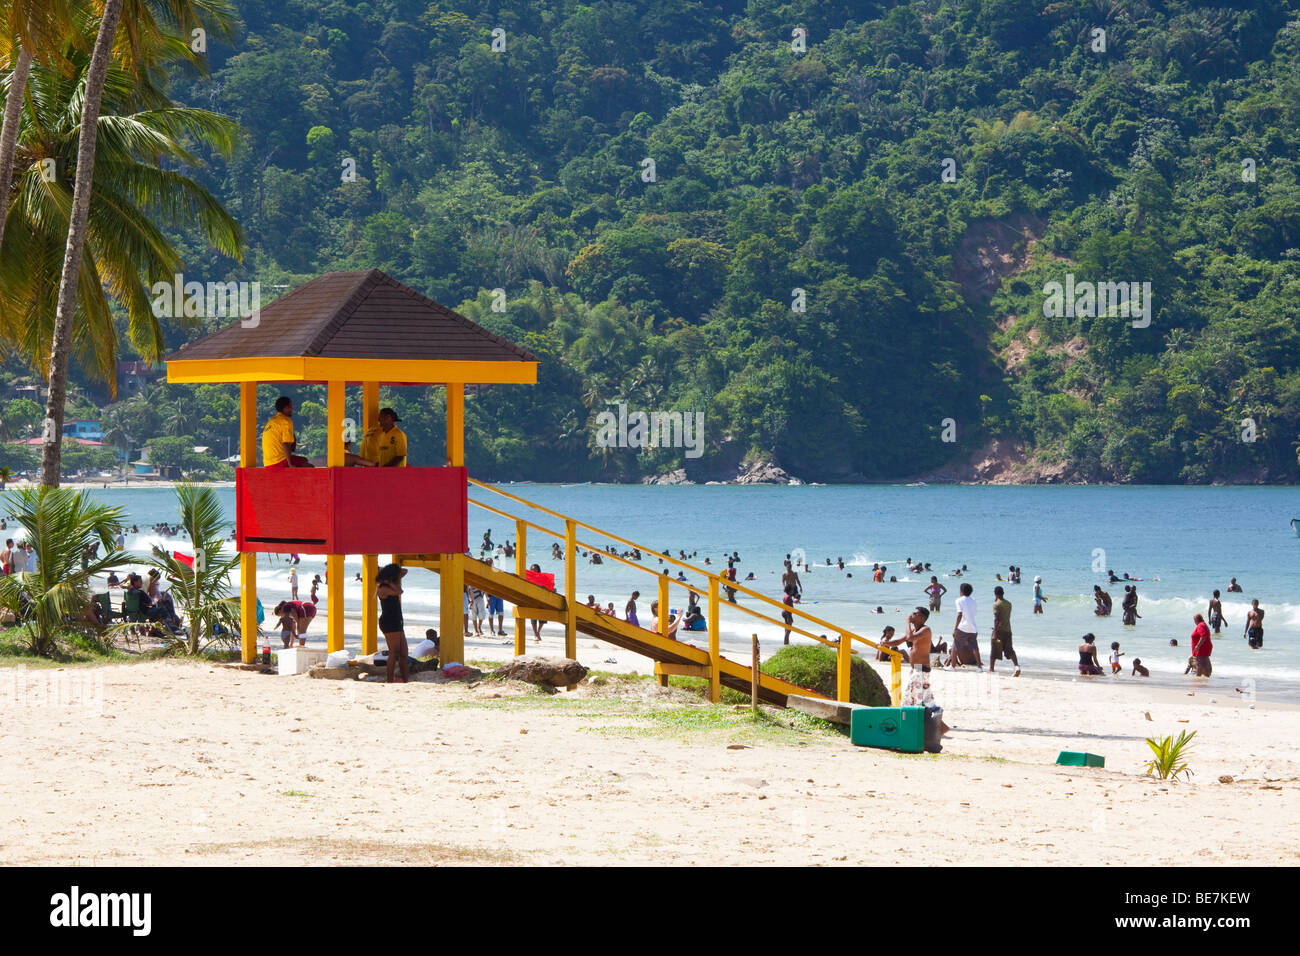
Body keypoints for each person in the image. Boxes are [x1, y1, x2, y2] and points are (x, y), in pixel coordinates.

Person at [882, 608, 948, 738]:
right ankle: (941, 728)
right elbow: (901, 640)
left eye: (915, 614)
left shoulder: (925, 630)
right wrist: (886, 643)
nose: (912, 615)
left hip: (921, 669)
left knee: (908, 698)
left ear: (922, 618)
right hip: (916, 669)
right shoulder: (914, 630)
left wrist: (907, 622)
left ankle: (908, 727)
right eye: (912, 613)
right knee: (926, 701)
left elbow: (910, 638)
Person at [375, 563, 409, 684]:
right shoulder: (383, 587)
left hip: (397, 620)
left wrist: (394, 573)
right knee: (394, 653)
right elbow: (399, 591)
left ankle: (405, 680)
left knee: (404, 653)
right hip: (389, 621)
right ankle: (390, 681)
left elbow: (405, 571)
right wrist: (389, 581)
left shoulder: (392, 583)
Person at [262, 396, 311, 468]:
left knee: (301, 460)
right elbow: (286, 444)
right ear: (285, 408)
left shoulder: (271, 421)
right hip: (279, 461)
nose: (292, 409)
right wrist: (290, 463)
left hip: (267, 464)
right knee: (307, 464)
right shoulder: (286, 421)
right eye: (290, 406)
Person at [948, 581, 981, 669]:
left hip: (963, 626)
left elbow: (959, 614)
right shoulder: (974, 600)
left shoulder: (959, 600)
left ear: (961, 591)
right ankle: (979, 667)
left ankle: (952, 666)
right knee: (975, 648)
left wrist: (955, 629)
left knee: (955, 646)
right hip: (973, 627)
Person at [990, 585, 1019, 676]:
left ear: (995, 594)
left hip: (999, 630)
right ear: (1003, 593)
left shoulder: (996, 604)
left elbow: (997, 619)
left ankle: (991, 669)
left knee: (994, 649)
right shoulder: (1009, 604)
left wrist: (994, 632)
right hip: (1008, 629)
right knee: (1010, 650)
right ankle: (1017, 666)